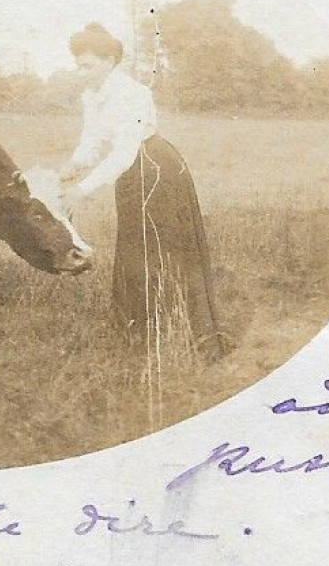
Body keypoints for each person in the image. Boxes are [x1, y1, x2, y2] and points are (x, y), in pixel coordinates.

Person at [59, 22, 226, 360]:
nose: (81, 71)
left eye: (87, 64)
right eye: (78, 64)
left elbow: (123, 151)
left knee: (163, 251)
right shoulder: (92, 95)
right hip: (131, 176)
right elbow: (93, 140)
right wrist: (73, 167)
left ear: (109, 60)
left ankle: (186, 335)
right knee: (135, 247)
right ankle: (138, 333)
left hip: (156, 170)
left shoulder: (132, 94)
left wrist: (84, 189)